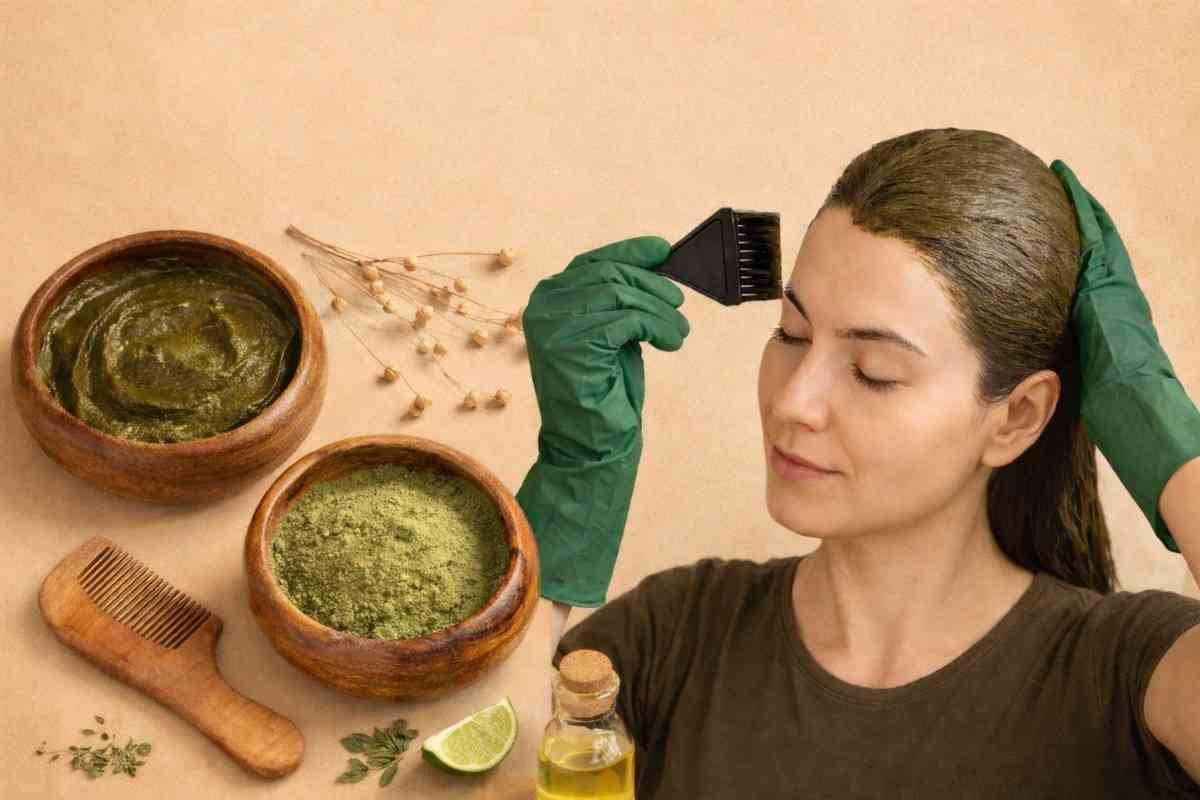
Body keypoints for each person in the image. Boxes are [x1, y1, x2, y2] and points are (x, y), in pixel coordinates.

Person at [517, 128, 1200, 797]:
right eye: (791, 334)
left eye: (874, 371)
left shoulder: (1126, 678)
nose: (794, 400)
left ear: (1017, 417)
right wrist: (574, 484)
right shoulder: (673, 639)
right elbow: (462, 763)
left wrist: (1162, 432)